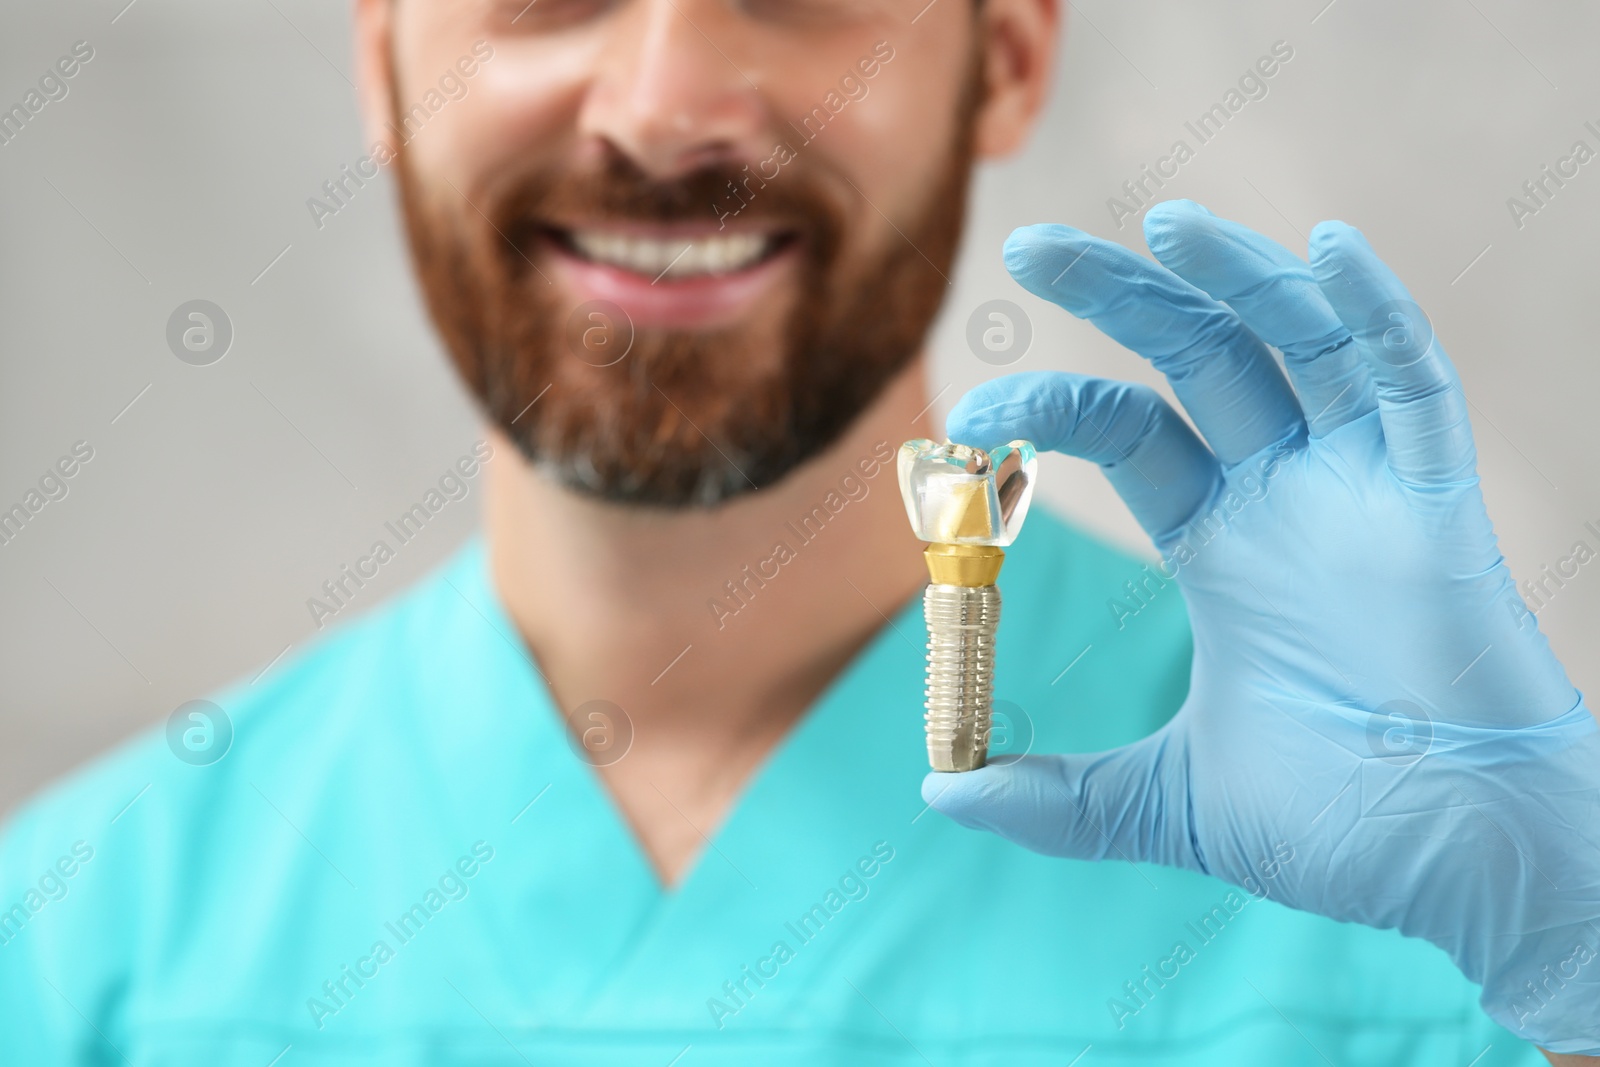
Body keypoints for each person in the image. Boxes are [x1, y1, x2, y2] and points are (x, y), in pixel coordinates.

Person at [2, 0, 1595, 1062]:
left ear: (1010, 57)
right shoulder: (75, 953)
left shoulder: (1414, 898)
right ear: (380, 56)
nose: (666, 106)